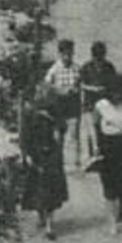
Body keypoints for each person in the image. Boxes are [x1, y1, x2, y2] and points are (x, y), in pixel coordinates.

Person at [20, 86, 69, 240]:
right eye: (40, 93)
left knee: (51, 188)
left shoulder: (54, 110)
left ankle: (49, 225)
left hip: (51, 152)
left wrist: (53, 120)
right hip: (36, 151)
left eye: (46, 94)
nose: (43, 97)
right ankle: (41, 215)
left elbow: (63, 127)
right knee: (37, 187)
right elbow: (24, 134)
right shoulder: (28, 112)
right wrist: (26, 154)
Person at [91, 73, 122, 234]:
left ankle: (121, 206)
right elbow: (94, 126)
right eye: (114, 92)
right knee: (109, 182)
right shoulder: (101, 105)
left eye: (119, 92)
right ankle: (112, 221)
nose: (116, 95)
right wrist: (96, 147)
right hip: (107, 144)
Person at [43, 39, 84, 167]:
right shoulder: (54, 69)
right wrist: (58, 90)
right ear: (60, 54)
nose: (68, 57)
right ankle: (58, 158)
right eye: (65, 54)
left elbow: (81, 84)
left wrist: (75, 89)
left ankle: (76, 160)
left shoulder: (77, 68)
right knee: (59, 132)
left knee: (74, 132)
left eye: (70, 54)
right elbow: (47, 85)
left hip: (73, 103)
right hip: (59, 104)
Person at [79, 41, 117, 161]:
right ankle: (93, 154)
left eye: (101, 57)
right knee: (92, 128)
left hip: (105, 102)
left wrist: (107, 90)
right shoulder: (86, 67)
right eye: (97, 58)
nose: (100, 60)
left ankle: (102, 153)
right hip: (90, 103)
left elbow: (114, 83)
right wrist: (93, 89)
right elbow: (80, 84)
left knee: (103, 128)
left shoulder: (109, 67)